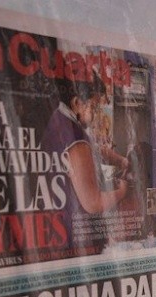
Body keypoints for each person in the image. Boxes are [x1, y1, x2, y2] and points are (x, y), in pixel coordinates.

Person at [41, 70, 128, 245]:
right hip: (77, 234)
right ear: (76, 102)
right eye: (94, 107)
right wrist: (122, 191)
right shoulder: (75, 137)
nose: (95, 115)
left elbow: (92, 150)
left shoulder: (59, 119)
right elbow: (93, 203)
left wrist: (120, 160)